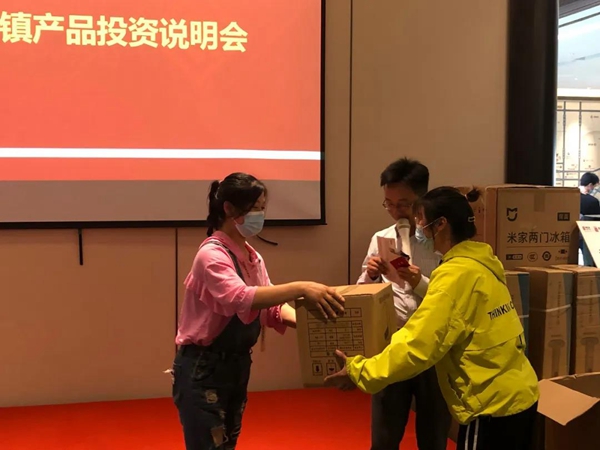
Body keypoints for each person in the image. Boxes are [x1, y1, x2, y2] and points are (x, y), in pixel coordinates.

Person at [326, 187, 540, 450]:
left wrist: (360, 371)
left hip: (491, 405)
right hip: (518, 392)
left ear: (440, 225)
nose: (417, 227)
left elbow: (418, 344)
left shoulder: (454, 276)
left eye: (421, 220)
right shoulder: (483, 262)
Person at [172, 172, 344, 450]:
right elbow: (239, 298)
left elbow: (271, 307)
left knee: (227, 442)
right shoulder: (211, 255)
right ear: (229, 208)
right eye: (254, 208)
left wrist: (313, 323)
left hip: (237, 364)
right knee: (209, 444)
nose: (260, 215)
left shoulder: (252, 255)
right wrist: (301, 288)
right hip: (203, 367)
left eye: (262, 208)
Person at [357, 158, 450, 450]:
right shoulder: (381, 238)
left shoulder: (440, 240)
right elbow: (362, 295)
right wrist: (371, 275)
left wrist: (418, 281)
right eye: (389, 204)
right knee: (384, 436)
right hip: (392, 344)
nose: (396, 211)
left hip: (434, 347)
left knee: (434, 435)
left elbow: (451, 297)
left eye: (404, 204)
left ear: (423, 199)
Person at [579, 172, 600, 266]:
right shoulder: (592, 201)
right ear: (590, 185)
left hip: (570, 233)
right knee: (589, 262)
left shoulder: (570, 196)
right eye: (595, 186)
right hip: (586, 234)